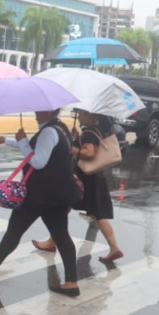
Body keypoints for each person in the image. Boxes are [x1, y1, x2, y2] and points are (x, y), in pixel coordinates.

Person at [0, 109, 81, 296]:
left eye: (40, 111)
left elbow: (38, 161)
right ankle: (71, 282)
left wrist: (22, 140)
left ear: (50, 111)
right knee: (61, 236)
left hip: (40, 194)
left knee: (15, 229)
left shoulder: (48, 131)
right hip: (57, 193)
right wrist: (10, 141)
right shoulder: (61, 128)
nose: (36, 114)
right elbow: (36, 149)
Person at [33, 110, 124, 263]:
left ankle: (114, 248)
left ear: (89, 115)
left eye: (81, 114)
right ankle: (51, 241)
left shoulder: (89, 133)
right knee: (81, 211)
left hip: (86, 180)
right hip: (92, 178)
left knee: (87, 213)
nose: (78, 116)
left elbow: (89, 153)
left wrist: (70, 146)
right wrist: (77, 139)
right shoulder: (94, 131)